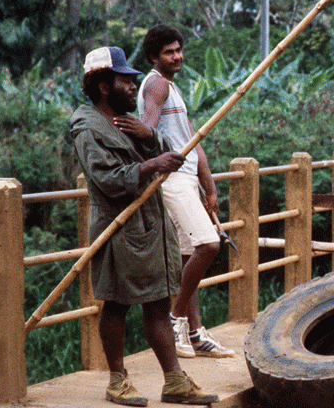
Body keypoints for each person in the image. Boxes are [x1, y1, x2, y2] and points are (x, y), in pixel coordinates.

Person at [70, 46, 218, 406]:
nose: (133, 88)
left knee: (157, 303)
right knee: (117, 304)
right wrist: (152, 166)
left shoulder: (128, 122)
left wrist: (150, 138)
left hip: (151, 226)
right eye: (125, 82)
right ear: (104, 87)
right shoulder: (88, 126)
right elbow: (107, 179)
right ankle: (117, 381)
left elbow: (169, 151)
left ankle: (174, 381)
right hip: (118, 229)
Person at [137, 25, 236, 359]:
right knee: (208, 244)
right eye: (169, 52)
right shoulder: (156, 84)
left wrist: (210, 189)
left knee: (185, 257)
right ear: (154, 57)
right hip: (173, 180)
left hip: (188, 179)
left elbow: (193, 143)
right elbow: (148, 128)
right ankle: (174, 318)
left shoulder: (173, 88)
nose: (176, 56)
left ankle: (195, 334)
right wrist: (141, 132)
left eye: (178, 50)